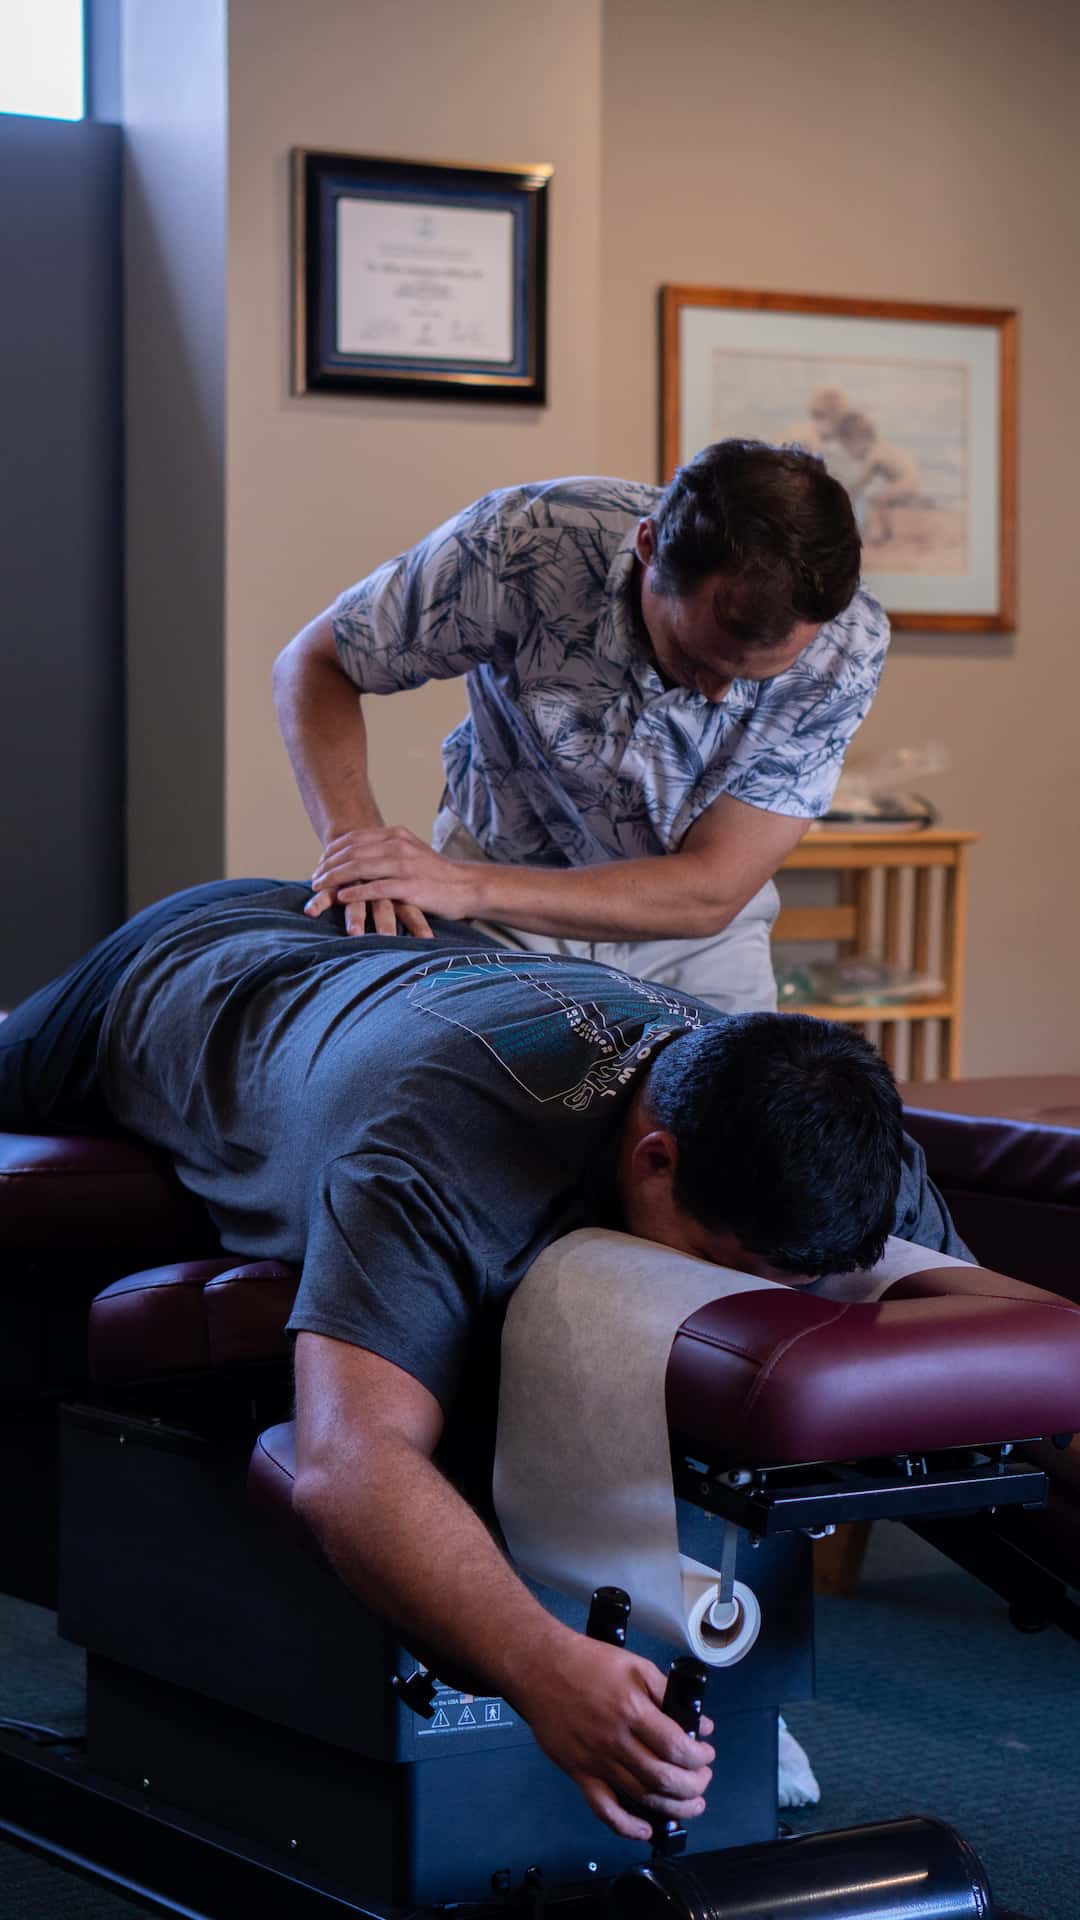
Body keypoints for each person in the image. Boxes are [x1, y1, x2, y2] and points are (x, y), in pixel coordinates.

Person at [0, 879, 969, 1839]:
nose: (750, 1301)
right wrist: (543, 1668)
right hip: (192, 971)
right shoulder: (437, 1144)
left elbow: (1015, 1348)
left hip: (426, 951)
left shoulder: (838, 1141)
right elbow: (352, 1462)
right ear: (657, 1160)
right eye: (722, 1265)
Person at [274, 441, 891, 1015]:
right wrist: (360, 851)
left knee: (729, 1125)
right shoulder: (526, 541)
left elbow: (713, 888)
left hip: (691, 930)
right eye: (697, 660)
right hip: (503, 890)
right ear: (649, 549)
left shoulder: (846, 643)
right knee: (489, 1117)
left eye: (755, 679)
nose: (719, 694)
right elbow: (317, 662)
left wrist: (466, 887)